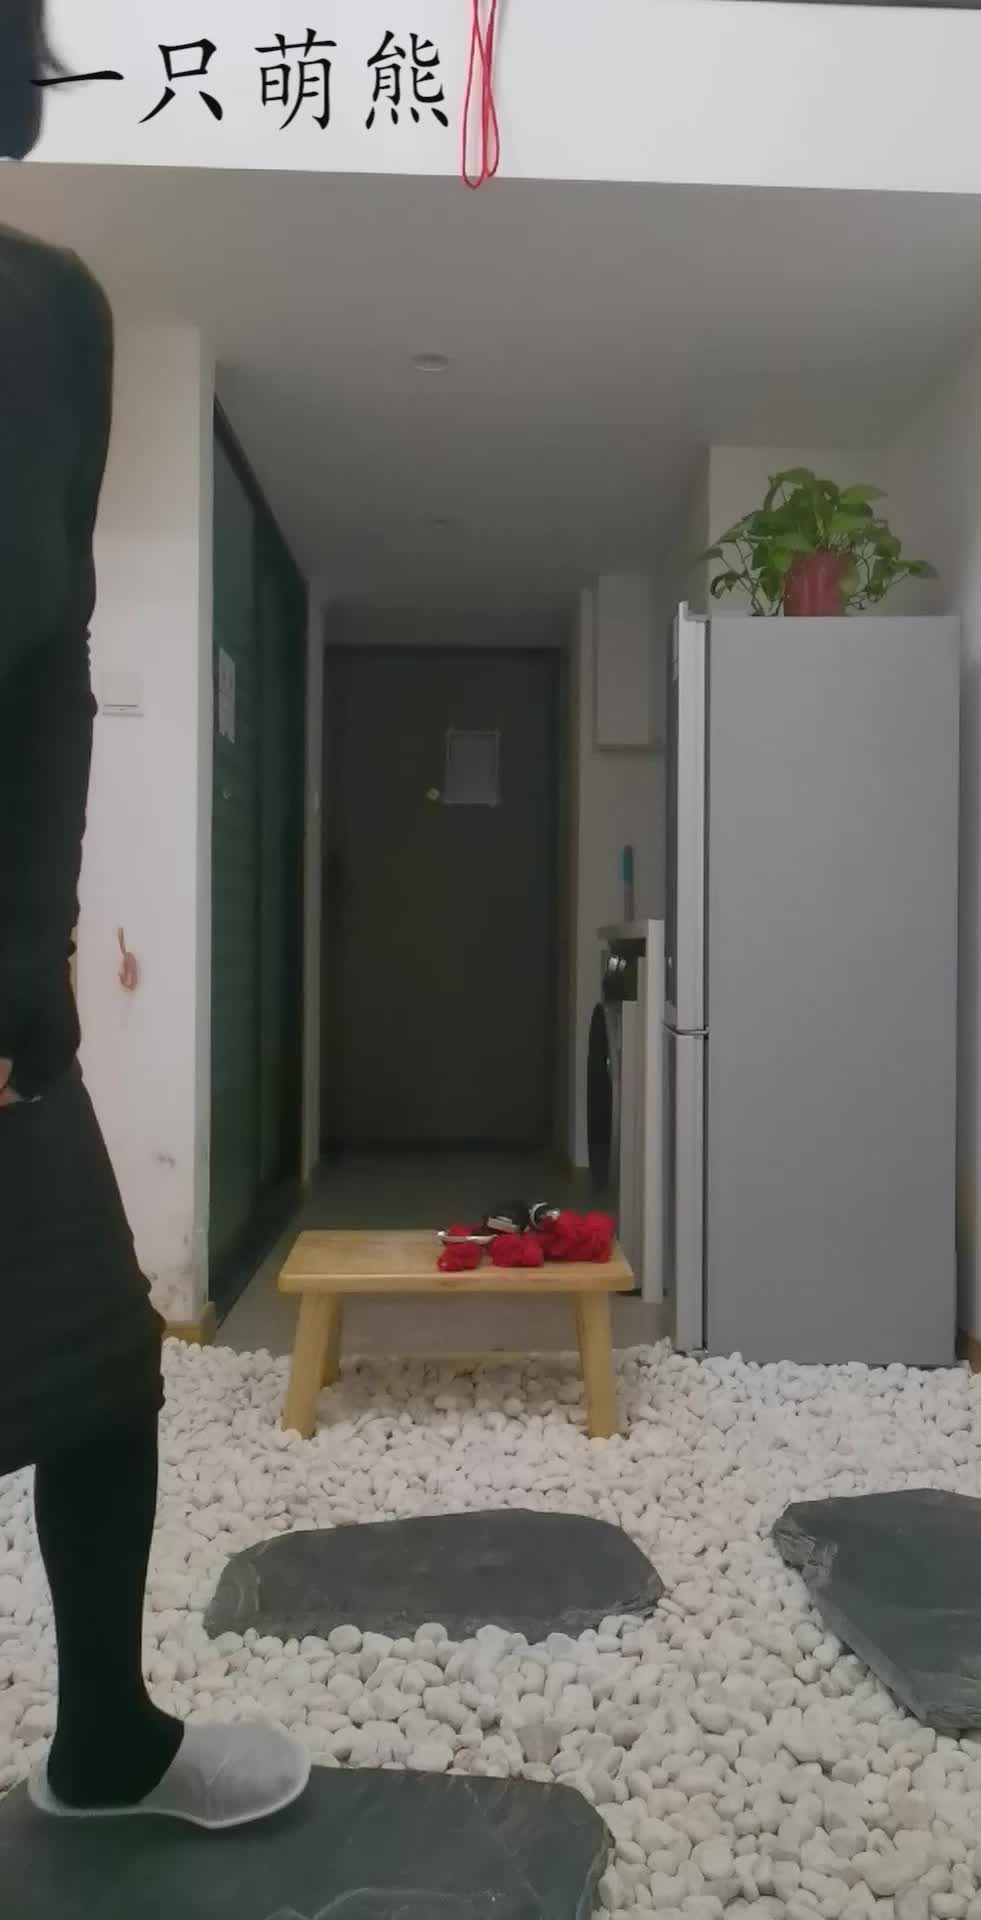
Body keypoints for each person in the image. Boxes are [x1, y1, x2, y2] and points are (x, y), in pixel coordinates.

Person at [0, 3, 310, 1827]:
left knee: (102, 1378)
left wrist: (30, 964)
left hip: (8, 1027)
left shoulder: (52, 317)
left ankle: (106, 1743)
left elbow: (50, 653)